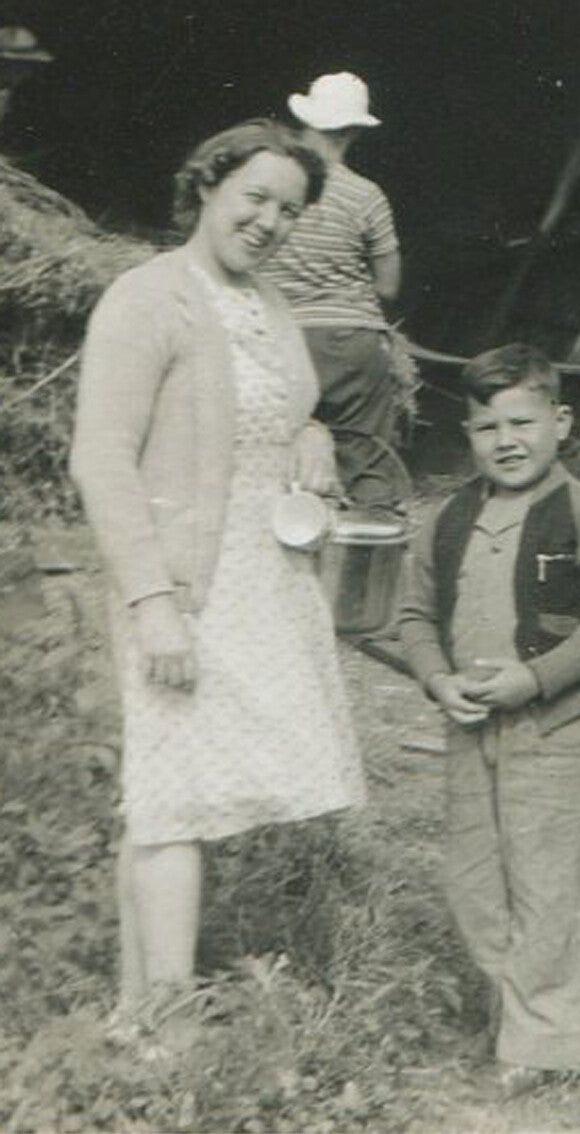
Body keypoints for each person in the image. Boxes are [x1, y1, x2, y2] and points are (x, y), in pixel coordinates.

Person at [70, 119, 367, 1034]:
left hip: (258, 575)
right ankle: (161, 1020)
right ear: (206, 187)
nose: (270, 221)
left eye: (289, 209)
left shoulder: (271, 306)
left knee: (174, 799)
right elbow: (101, 460)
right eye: (255, 199)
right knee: (170, 797)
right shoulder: (147, 297)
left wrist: (310, 435)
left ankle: (140, 1013)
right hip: (181, 581)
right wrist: (152, 602)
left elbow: (281, 410)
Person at [399, 343, 580, 1096]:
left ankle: (540, 1046)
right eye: (485, 427)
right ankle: (524, 1021)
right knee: (473, 882)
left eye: (523, 422)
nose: (506, 441)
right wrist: (438, 679)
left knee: (542, 885)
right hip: (471, 730)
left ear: (560, 422)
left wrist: (533, 679)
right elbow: (411, 615)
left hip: (555, 732)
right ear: (467, 435)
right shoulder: (448, 517)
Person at [261, 71, 404, 503]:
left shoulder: (273, 187)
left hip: (279, 336)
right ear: (354, 131)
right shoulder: (366, 196)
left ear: (307, 120)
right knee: (366, 459)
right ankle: (365, 550)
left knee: (275, 457)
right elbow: (390, 285)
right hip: (351, 343)